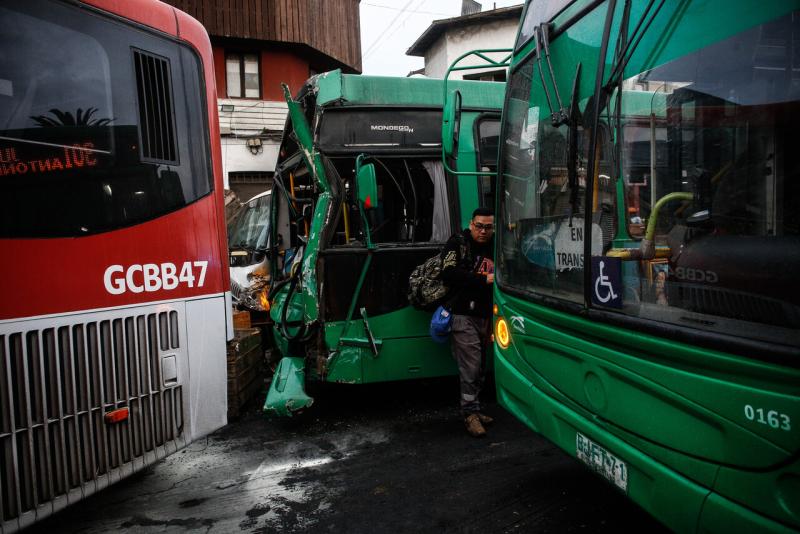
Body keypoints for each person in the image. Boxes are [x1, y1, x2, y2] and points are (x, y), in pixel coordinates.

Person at [440, 207, 495, 437]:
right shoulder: (458, 243)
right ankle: (469, 415)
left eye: (488, 227)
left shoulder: (495, 245)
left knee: (481, 366)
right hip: (463, 315)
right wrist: (484, 279)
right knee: (471, 366)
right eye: (479, 226)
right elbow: (448, 273)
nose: (483, 231)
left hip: (486, 315)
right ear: (471, 224)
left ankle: (475, 407)